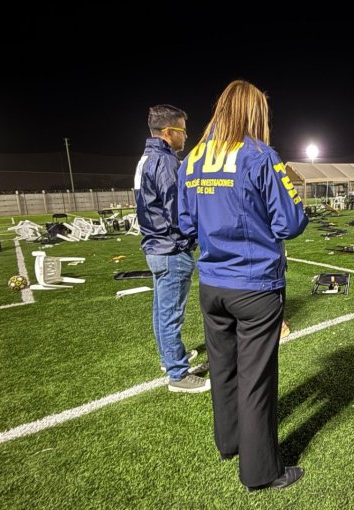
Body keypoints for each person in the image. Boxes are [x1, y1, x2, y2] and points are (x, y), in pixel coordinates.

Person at [177, 80, 309, 491]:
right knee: (256, 380)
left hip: (211, 284)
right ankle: (262, 472)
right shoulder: (259, 155)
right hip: (255, 286)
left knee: (223, 369)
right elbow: (290, 222)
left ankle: (229, 442)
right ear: (254, 113)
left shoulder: (193, 158)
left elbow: (184, 224)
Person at [134, 104, 209, 393]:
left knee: (161, 311)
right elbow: (177, 211)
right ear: (168, 132)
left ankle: (171, 358)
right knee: (170, 314)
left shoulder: (145, 158)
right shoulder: (165, 161)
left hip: (155, 245)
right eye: (182, 131)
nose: (186, 136)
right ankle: (177, 374)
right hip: (170, 248)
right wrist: (195, 236)